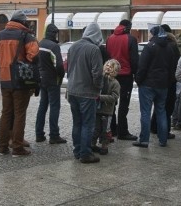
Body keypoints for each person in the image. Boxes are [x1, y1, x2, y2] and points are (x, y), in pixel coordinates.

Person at [0, 10, 39, 156]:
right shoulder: (26, 35)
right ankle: (17, 146)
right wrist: (22, 63)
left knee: (6, 113)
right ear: (22, 22)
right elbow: (34, 55)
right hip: (20, 80)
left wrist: (5, 64)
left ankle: (3, 146)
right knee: (19, 114)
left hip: (4, 80)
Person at [133, 26, 178, 148]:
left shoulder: (150, 47)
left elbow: (142, 66)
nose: (149, 35)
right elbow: (172, 68)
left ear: (154, 34)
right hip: (163, 85)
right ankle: (163, 140)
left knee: (146, 113)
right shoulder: (169, 48)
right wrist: (168, 82)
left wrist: (138, 80)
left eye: (150, 33)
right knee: (161, 112)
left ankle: (144, 140)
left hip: (148, 84)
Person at [66, 23, 105, 163]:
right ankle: (85, 154)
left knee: (77, 123)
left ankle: (77, 151)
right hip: (87, 92)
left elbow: (68, 68)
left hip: (72, 90)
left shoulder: (73, 46)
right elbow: (97, 73)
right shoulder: (94, 49)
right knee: (88, 124)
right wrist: (98, 88)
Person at [105, 19, 139, 141]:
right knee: (124, 104)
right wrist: (136, 74)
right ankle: (122, 131)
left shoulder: (109, 38)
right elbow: (134, 60)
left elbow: (108, 57)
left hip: (112, 75)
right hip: (126, 75)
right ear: (128, 27)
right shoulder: (131, 39)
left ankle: (112, 128)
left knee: (112, 102)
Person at [35, 23, 66, 145]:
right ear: (54, 34)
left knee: (42, 106)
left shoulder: (40, 44)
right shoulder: (54, 46)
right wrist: (61, 75)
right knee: (54, 106)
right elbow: (58, 65)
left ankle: (39, 134)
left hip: (42, 79)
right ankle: (54, 135)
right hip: (53, 80)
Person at [92, 59, 121, 156]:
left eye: (111, 66)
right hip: (97, 109)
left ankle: (104, 146)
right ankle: (92, 144)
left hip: (107, 111)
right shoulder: (100, 79)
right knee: (96, 128)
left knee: (105, 130)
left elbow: (114, 97)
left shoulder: (115, 83)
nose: (108, 67)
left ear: (115, 70)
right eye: (107, 65)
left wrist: (100, 97)